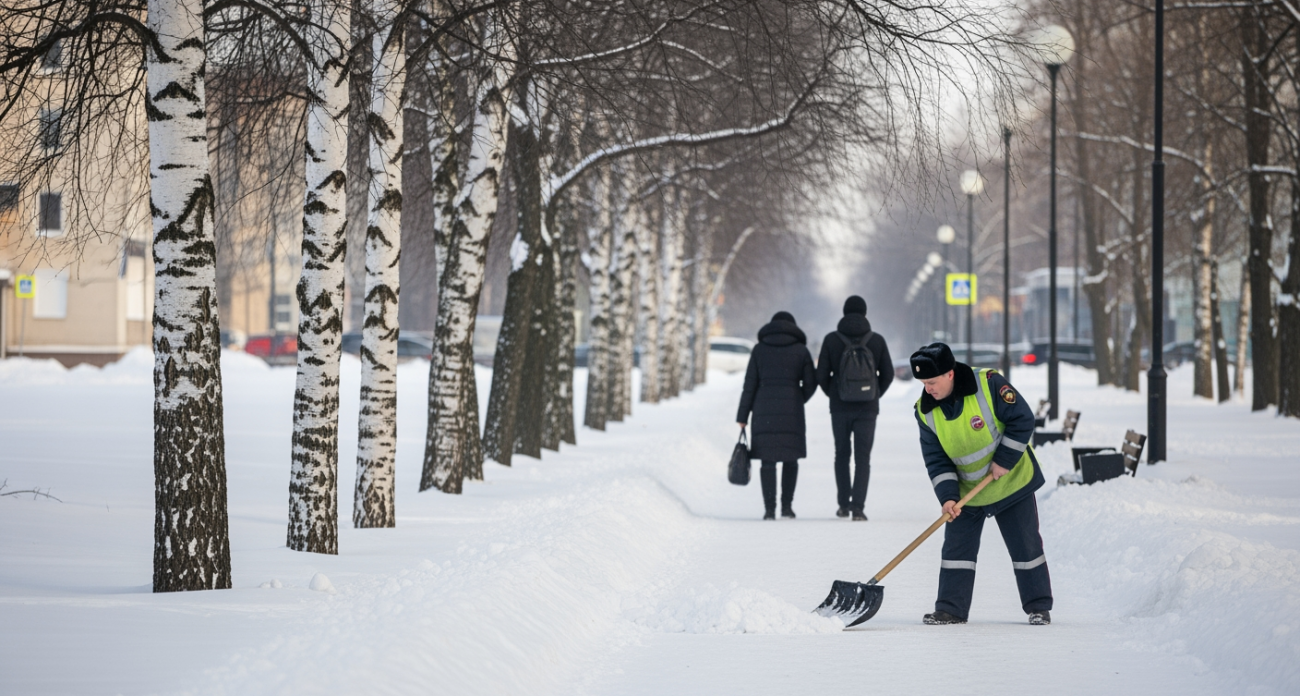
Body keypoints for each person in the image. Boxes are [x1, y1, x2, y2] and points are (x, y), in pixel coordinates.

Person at [909, 342, 1053, 625]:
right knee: (956, 552)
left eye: (932, 381)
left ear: (950, 374)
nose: (928, 389)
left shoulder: (989, 385)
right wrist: (948, 497)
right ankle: (951, 609)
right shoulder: (925, 412)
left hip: (1010, 481)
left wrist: (1005, 459)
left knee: (1026, 547)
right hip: (967, 492)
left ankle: (1038, 607)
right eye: (924, 383)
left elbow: (1022, 419)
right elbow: (937, 460)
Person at [816, 295, 893, 521]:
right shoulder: (876, 340)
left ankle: (843, 504)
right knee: (863, 457)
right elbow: (887, 374)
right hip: (867, 409)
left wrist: (835, 394)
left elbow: (821, 375)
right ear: (865, 313)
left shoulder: (832, 339)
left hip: (839, 408)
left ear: (844, 312)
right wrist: (873, 394)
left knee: (841, 454)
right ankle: (858, 508)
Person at [736, 311, 818, 520]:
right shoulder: (801, 351)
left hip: (763, 410)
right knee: (791, 459)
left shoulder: (759, 350)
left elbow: (749, 385)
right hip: (792, 411)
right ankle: (787, 507)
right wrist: (798, 398)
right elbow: (811, 383)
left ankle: (769, 509)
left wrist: (743, 415)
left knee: (767, 461)